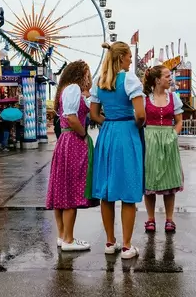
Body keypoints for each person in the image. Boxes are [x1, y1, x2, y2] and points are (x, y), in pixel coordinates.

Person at [90, 41, 145, 259]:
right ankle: (127, 245)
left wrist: (109, 122)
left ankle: (109, 241)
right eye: (129, 56)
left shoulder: (100, 81)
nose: (131, 60)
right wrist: (134, 127)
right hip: (126, 131)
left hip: (107, 133)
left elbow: (94, 115)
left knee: (107, 190)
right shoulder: (129, 79)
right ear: (121, 57)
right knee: (128, 190)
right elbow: (140, 114)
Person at [46, 60, 95, 251]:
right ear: (81, 74)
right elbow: (73, 117)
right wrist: (83, 134)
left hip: (64, 141)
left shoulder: (65, 90)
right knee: (72, 191)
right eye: (88, 74)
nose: (89, 78)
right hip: (74, 140)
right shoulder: (74, 89)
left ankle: (62, 235)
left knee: (61, 188)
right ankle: (69, 239)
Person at [142, 65, 184, 234]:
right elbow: (138, 118)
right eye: (167, 76)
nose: (170, 79)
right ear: (158, 79)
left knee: (170, 180)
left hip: (169, 139)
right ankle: (150, 219)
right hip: (150, 139)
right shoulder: (145, 99)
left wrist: (173, 135)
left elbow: (179, 121)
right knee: (150, 180)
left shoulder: (173, 97)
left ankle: (169, 219)